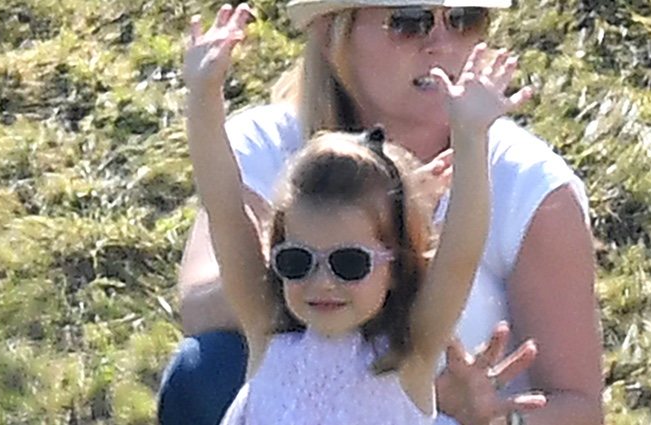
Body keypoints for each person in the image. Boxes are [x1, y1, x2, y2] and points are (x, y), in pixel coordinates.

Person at [159, 1, 603, 424]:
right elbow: (224, 209)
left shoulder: (412, 353)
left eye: (349, 264)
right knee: (201, 369)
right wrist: (203, 94)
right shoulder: (266, 331)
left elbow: (459, 254)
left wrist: (471, 137)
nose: (321, 281)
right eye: (295, 262)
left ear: (397, 266)